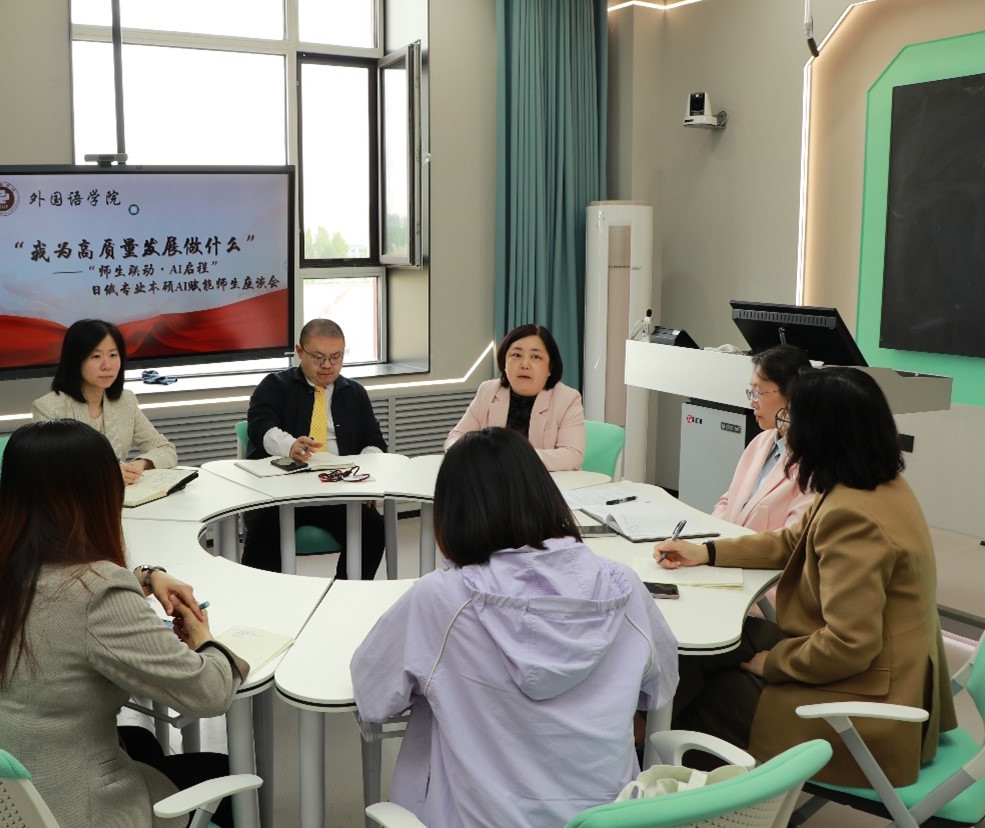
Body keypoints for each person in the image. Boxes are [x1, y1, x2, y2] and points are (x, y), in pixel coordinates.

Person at [352, 428, 678, 826]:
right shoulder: (623, 585)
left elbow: (373, 696)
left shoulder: (441, 600)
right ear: (544, 493)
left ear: (452, 513)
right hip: (605, 818)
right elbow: (661, 688)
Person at [654, 367, 956, 787]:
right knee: (709, 648)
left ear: (820, 433)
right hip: (880, 670)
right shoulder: (871, 485)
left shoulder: (854, 518)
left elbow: (849, 645)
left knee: (713, 693)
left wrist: (774, 663)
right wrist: (706, 552)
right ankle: (640, 738)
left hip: (869, 700)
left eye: (791, 418)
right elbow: (790, 542)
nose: (786, 429)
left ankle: (697, 789)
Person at [0, 419, 248, 828]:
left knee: (142, 741)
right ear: (98, 493)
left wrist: (146, 577)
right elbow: (209, 693)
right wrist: (204, 637)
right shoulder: (98, 591)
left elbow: (57, 603)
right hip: (57, 807)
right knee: (223, 771)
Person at [242, 318, 387, 579]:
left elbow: (375, 442)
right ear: (300, 352)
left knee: (373, 528)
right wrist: (289, 446)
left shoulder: (354, 393)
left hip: (336, 492)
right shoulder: (275, 385)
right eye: (319, 357)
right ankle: (264, 600)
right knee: (265, 531)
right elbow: (260, 426)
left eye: (336, 357)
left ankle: (344, 595)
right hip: (278, 494)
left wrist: (361, 473)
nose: (328, 365)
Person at [32, 319, 177, 485]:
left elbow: (165, 449)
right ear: (75, 360)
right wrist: (107, 473)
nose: (107, 365)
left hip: (121, 496)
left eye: (113, 355)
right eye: (96, 356)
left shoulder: (125, 400)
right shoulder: (48, 408)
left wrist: (139, 464)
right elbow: (49, 472)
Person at [445, 323, 586, 471]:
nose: (524, 365)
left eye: (535, 357)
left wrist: (515, 458)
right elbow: (456, 437)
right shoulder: (488, 390)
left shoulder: (567, 398)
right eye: (516, 355)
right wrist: (474, 455)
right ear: (504, 363)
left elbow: (572, 455)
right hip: (494, 479)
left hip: (545, 481)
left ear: (550, 367)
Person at [712, 345, 813, 530]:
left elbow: (792, 538)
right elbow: (729, 501)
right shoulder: (761, 442)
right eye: (751, 392)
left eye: (759, 393)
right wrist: (713, 536)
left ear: (793, 395)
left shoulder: (812, 462)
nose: (752, 402)